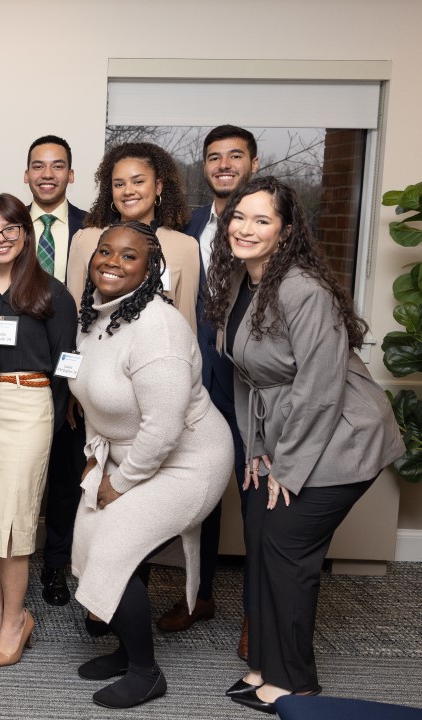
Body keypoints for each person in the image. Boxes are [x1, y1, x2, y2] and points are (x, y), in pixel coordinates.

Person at [204, 177, 404, 714]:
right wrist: (255, 450)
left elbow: (319, 388)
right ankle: (267, 665)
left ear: (286, 231)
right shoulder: (236, 282)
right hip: (288, 434)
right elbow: (247, 377)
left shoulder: (302, 288)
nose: (245, 229)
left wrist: (286, 470)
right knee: (264, 542)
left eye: (262, 220)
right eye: (238, 217)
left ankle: (296, 683)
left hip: (342, 438)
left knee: (287, 550)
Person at [68, 221, 230, 709]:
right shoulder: (96, 315)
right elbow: (97, 399)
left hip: (189, 460)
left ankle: (146, 671)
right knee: (89, 532)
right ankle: (124, 648)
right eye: (104, 251)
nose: (111, 261)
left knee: (115, 541)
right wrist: (94, 459)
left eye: (128, 255)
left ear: (150, 268)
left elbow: (164, 427)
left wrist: (118, 483)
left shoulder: (158, 326)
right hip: (130, 452)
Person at [0, 194, 76, 667]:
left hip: (27, 409)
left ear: (26, 234)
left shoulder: (51, 291)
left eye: (10, 230)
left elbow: (68, 362)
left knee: (13, 525)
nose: (0, 239)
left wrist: (55, 413)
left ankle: (16, 619)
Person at [159, 125, 260, 644]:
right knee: (199, 487)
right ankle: (198, 595)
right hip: (193, 375)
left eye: (235, 156)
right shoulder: (186, 224)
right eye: (214, 157)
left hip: (247, 378)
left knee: (254, 489)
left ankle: (255, 615)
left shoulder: (269, 223)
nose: (224, 165)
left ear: (254, 164)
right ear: (205, 168)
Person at [24, 134, 89, 607]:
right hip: (18, 368)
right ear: (25, 175)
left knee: (65, 479)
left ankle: (55, 568)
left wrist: (74, 388)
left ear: (71, 174)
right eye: (38, 166)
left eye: (57, 166)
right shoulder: (3, 225)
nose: (47, 174)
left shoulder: (93, 231)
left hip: (77, 365)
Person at [65, 142, 201, 332]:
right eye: (119, 184)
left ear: (158, 186)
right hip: (96, 352)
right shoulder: (85, 240)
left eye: (138, 182)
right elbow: (74, 317)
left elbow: (185, 324)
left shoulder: (185, 247)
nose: (128, 191)